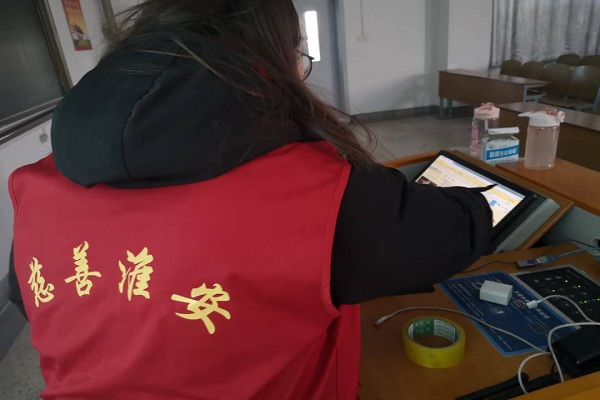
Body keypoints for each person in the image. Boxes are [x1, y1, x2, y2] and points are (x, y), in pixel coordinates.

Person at [8, 1, 492, 398]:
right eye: (297, 56)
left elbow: (33, 303)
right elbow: (457, 231)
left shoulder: (34, 185)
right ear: (274, 61)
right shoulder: (316, 193)